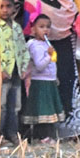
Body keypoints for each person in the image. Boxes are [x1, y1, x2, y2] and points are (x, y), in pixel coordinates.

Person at [26, 0, 80, 138]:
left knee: (67, 81)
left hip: (66, 41)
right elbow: (30, 21)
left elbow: (72, 14)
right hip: (43, 45)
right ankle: (46, 132)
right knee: (48, 87)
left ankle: (67, 129)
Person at [0, 0, 30, 144]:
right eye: (1, 7)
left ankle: (12, 134)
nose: (4, 10)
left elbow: (23, 49)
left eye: (8, 6)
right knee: (1, 105)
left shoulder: (17, 28)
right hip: (1, 73)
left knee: (15, 105)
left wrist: (24, 68)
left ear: (14, 8)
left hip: (16, 71)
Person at [21, 15, 64, 143]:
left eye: (48, 27)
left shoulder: (46, 44)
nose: (46, 30)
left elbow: (52, 64)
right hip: (39, 81)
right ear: (33, 29)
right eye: (41, 27)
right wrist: (49, 56)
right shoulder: (33, 45)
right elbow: (39, 66)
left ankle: (48, 136)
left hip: (49, 81)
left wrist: (54, 76)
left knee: (49, 110)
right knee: (42, 110)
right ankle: (42, 136)